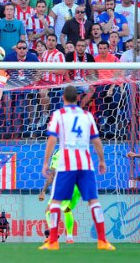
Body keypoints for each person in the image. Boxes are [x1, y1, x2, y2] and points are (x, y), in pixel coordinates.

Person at [38, 85, 115, 251]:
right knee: (93, 201)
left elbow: (52, 140)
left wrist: (46, 163)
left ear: (64, 98)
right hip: (86, 164)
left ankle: (53, 241)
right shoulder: (87, 116)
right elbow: (96, 140)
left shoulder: (59, 115)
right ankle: (102, 240)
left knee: (56, 202)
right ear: (78, 98)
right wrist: (102, 161)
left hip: (67, 164)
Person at [38, 149, 80, 244]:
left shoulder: (59, 153)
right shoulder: (79, 151)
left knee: (48, 211)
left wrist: (43, 191)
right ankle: (69, 238)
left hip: (66, 184)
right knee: (67, 210)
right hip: (78, 186)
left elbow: (52, 175)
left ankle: (53, 235)